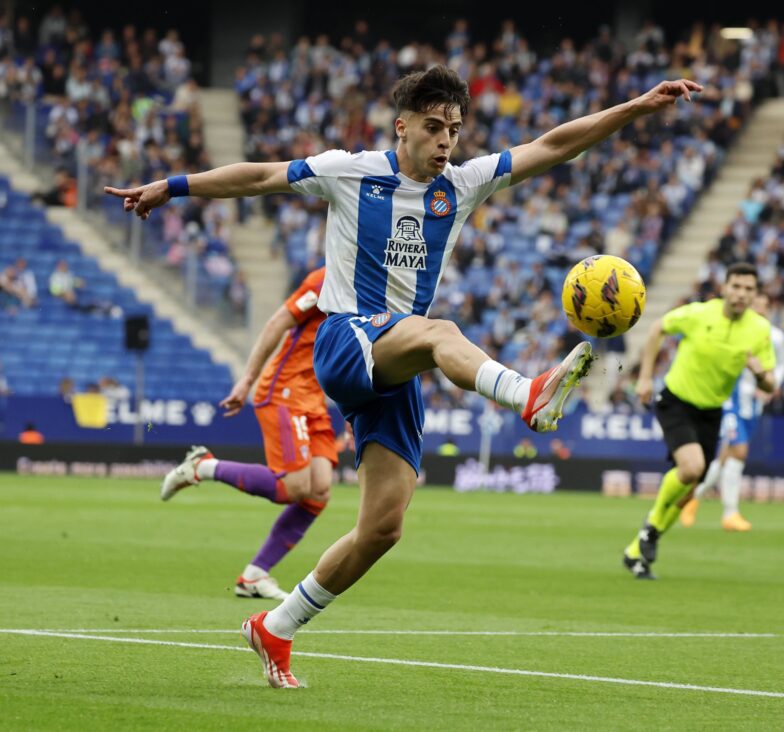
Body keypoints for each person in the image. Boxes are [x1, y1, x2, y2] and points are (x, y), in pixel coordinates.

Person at [106, 65, 703, 687]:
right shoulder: (349, 171)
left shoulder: (463, 185)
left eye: (454, 129)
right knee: (441, 331)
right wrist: (171, 187)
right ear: (403, 126)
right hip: (344, 339)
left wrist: (636, 105)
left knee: (382, 528)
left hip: (396, 364)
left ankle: (275, 628)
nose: (447, 141)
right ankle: (527, 394)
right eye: (433, 127)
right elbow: (258, 176)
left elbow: (554, 144)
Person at [160, 267, 336, 601]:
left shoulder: (372, 286)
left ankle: (254, 576)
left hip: (315, 398)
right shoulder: (326, 279)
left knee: (319, 490)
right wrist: (247, 379)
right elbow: (277, 323)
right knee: (293, 487)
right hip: (285, 390)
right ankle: (203, 466)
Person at [622, 263, 776, 579]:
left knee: (691, 488)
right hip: (676, 400)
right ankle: (650, 529)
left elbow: (771, 384)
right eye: (736, 286)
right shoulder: (698, 314)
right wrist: (646, 378)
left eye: (749, 289)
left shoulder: (759, 330)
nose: (741, 294)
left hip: (711, 411)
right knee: (691, 469)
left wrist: (760, 373)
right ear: (724, 287)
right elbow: (657, 329)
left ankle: (637, 551)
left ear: (755, 294)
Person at [682, 292, 784, 531]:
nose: (759, 312)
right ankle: (730, 513)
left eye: (763, 308)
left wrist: (771, 386)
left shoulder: (777, 337)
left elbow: (782, 365)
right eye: (755, 308)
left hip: (754, 404)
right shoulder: (739, 331)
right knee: (739, 450)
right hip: (730, 400)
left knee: (726, 456)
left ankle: (693, 497)